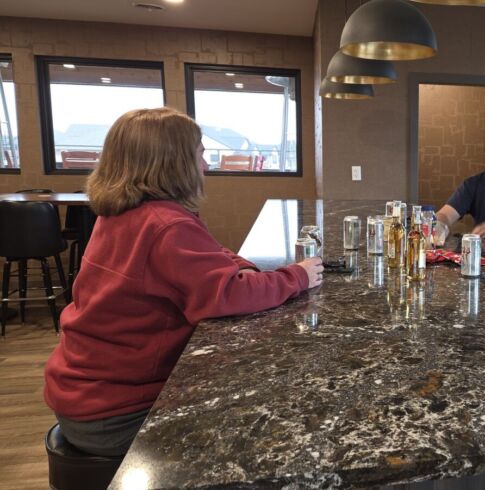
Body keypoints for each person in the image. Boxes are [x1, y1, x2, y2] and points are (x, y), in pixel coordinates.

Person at [43, 107, 323, 456]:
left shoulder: (128, 212)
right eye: (200, 153)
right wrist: (296, 275)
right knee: (273, 420)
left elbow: (209, 252)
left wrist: (240, 265)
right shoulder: (166, 224)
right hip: (118, 413)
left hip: (86, 395)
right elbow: (226, 295)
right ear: (173, 161)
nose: (205, 165)